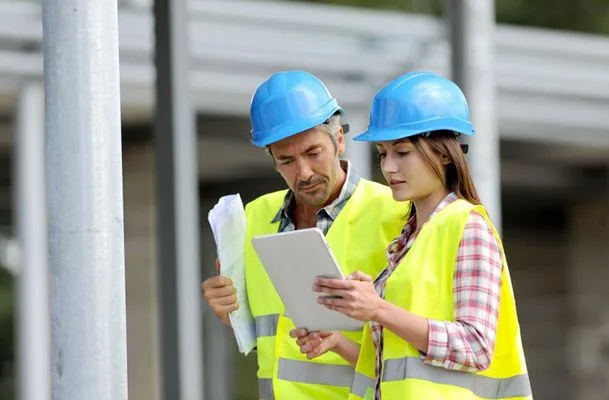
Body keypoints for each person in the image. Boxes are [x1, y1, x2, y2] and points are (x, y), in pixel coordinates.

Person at [292, 72, 532, 399]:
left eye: (402, 152)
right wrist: (338, 342)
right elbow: (398, 371)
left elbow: (475, 347)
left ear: (445, 153)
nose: (389, 167)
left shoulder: (467, 225)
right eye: (382, 154)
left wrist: (378, 309)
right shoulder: (407, 242)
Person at [201, 70, 409, 400]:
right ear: (273, 161)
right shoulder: (252, 219)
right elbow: (264, 333)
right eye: (287, 160)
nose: (304, 173)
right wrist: (230, 310)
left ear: (339, 139)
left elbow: (412, 349)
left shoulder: (397, 214)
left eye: (313, 153)